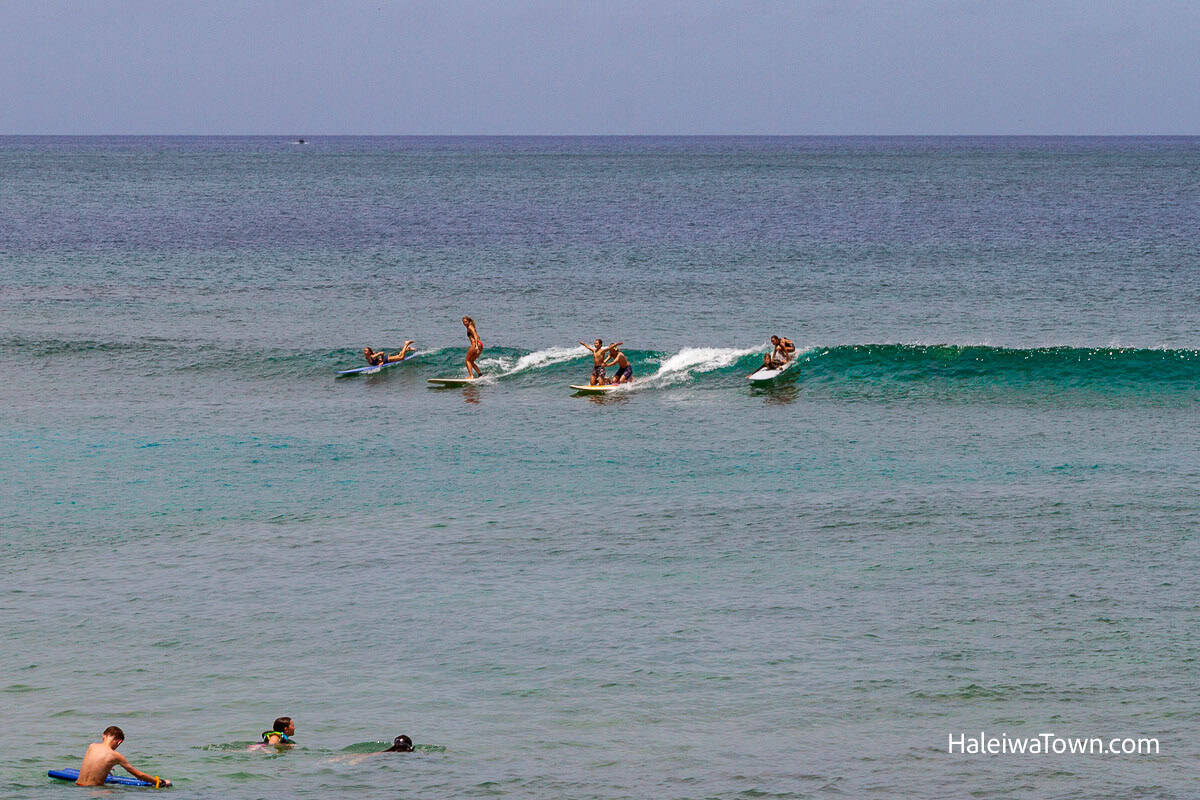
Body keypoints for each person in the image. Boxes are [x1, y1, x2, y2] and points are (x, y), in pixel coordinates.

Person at [75, 726, 170, 788]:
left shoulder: (92, 746)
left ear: (103, 736)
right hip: (96, 791)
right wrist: (160, 782)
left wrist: (107, 767)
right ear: (119, 741)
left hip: (78, 786)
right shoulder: (116, 756)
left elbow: (95, 762)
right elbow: (139, 775)